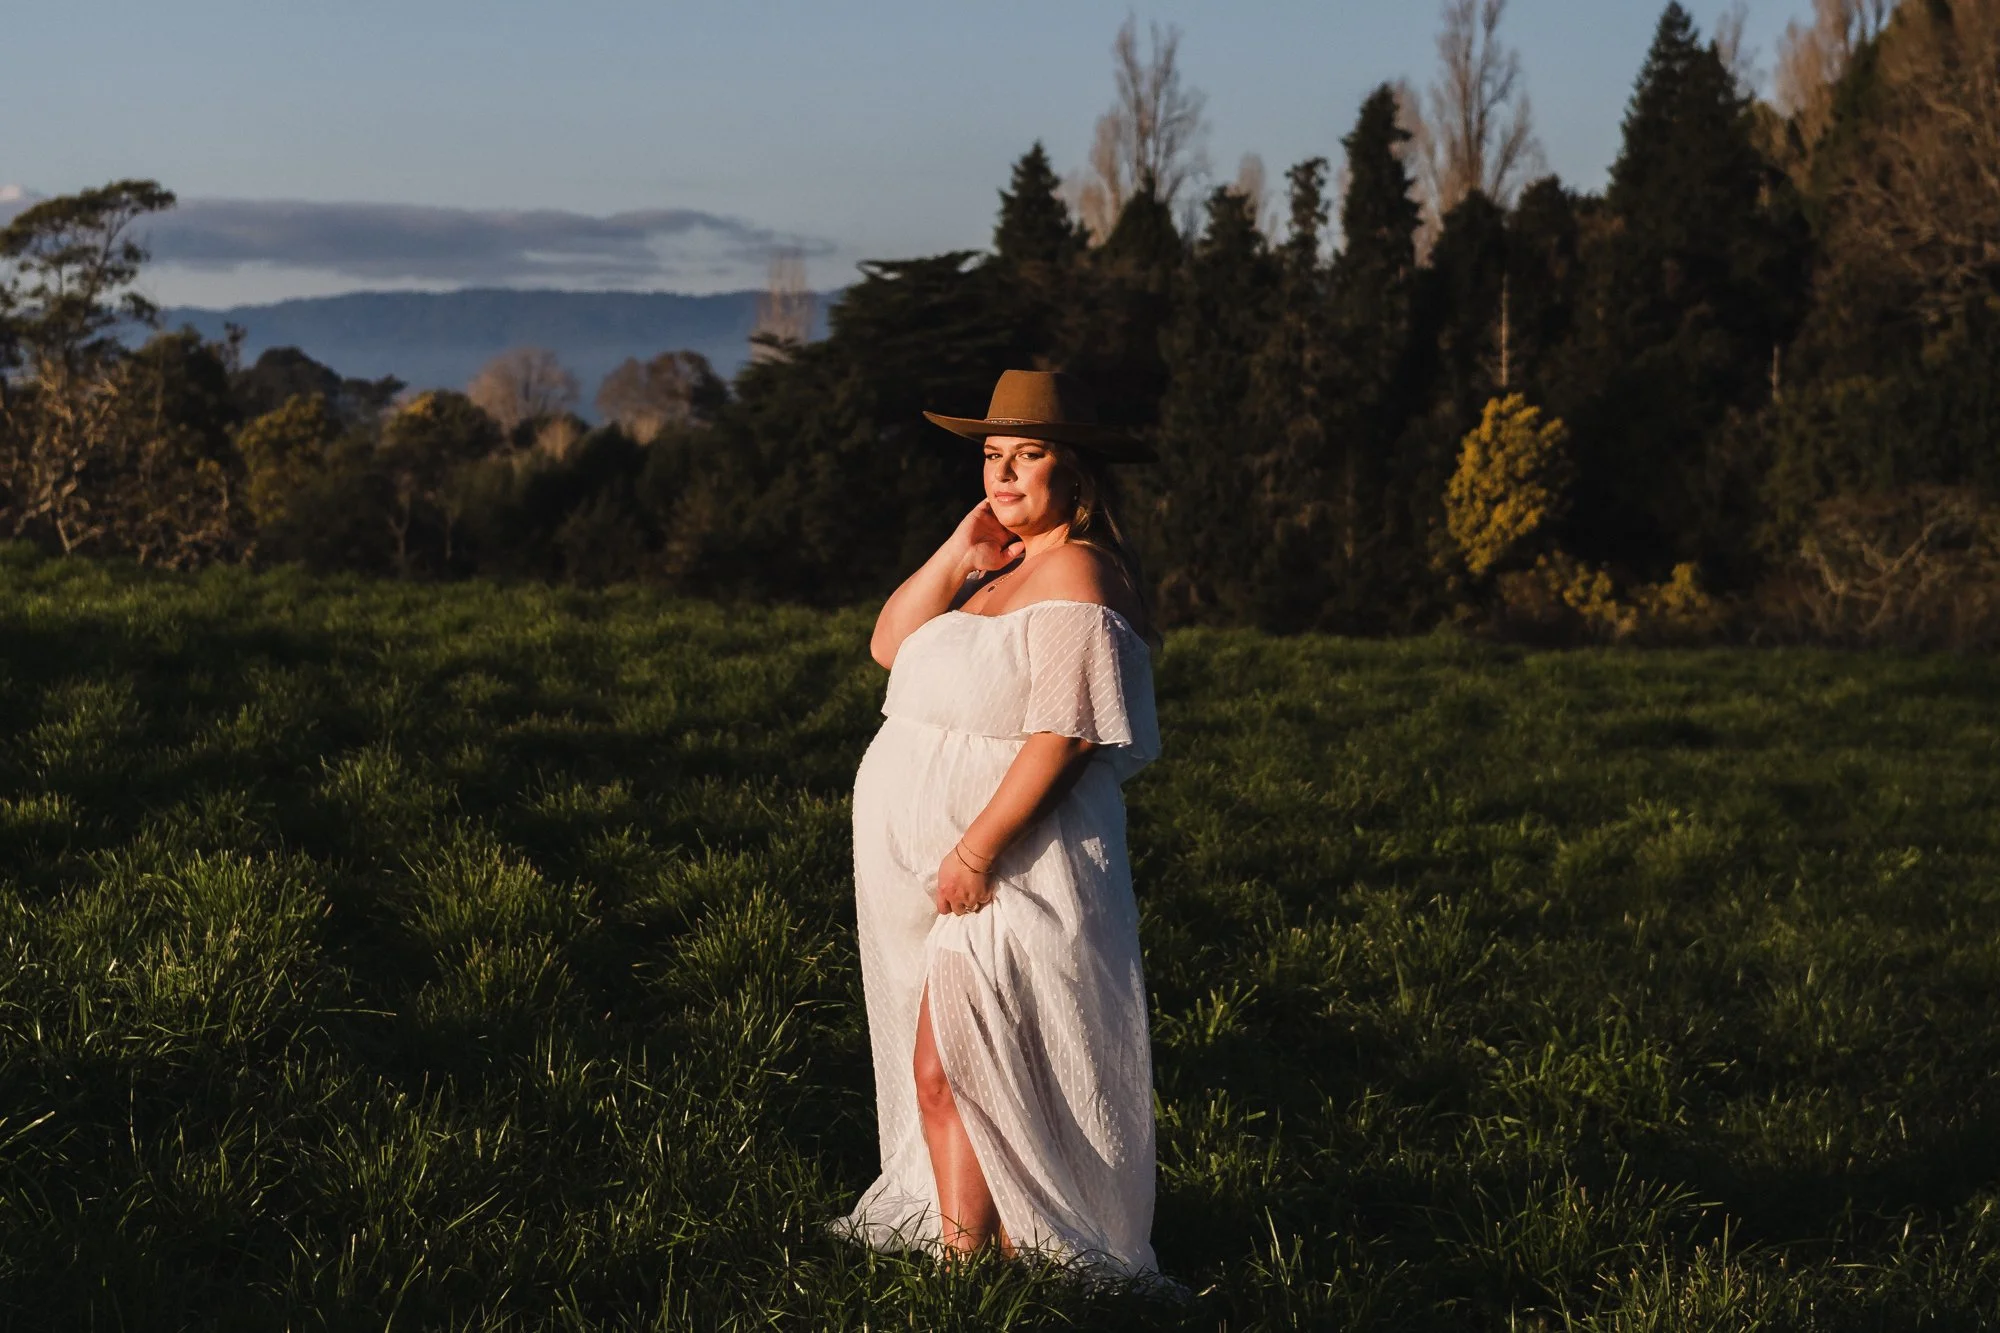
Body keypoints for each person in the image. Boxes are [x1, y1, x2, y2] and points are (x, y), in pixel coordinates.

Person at [838, 369, 1164, 1277]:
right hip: (941, 869)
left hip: (1014, 862)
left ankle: (984, 1270)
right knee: (952, 1072)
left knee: (956, 1067)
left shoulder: (1078, 570)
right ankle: (981, 1261)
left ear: (1077, 472)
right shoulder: (1003, 565)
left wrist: (978, 850)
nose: (1005, 474)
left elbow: (1068, 732)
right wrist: (957, 551)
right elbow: (889, 644)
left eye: (1029, 455)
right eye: (992, 456)